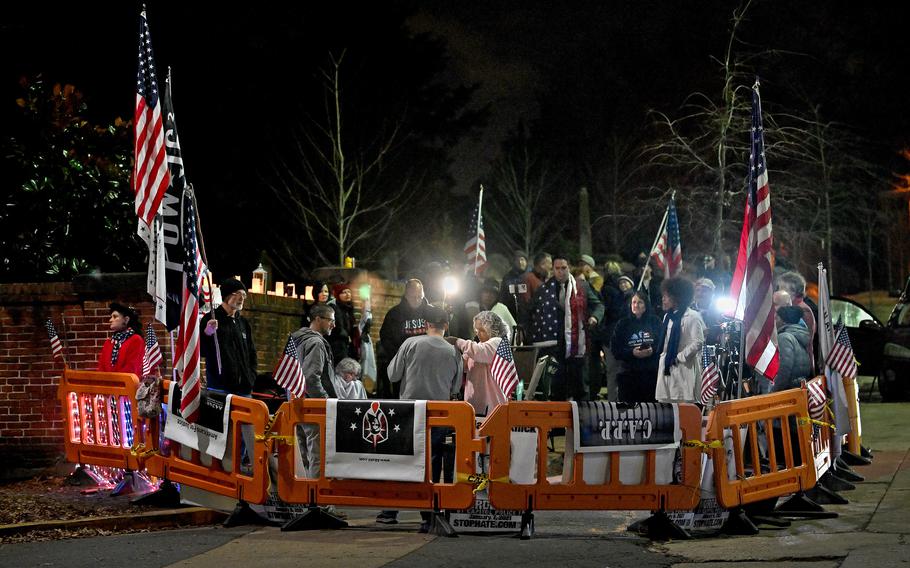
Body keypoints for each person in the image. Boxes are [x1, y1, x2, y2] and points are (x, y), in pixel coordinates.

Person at [379, 306, 462, 528]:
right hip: (438, 414)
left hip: (408, 411)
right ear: (446, 325)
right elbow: (455, 387)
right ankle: (429, 514)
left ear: (426, 325)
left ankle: (390, 511)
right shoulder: (454, 352)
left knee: (400, 460)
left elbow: (393, 374)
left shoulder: (410, 344)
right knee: (432, 464)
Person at [530, 255, 604, 401]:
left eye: (563, 268)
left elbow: (599, 305)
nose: (560, 272)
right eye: (557, 268)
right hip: (555, 345)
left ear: (569, 268)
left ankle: (582, 419)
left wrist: (595, 317)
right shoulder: (544, 289)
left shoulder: (581, 286)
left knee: (580, 386)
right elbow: (531, 311)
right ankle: (558, 422)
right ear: (553, 270)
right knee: (557, 387)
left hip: (577, 342)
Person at [290, 304, 338, 480]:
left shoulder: (297, 339)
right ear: (318, 319)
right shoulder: (316, 342)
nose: (334, 325)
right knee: (318, 454)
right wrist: (325, 400)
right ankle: (318, 502)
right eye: (331, 320)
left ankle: (306, 498)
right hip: (314, 407)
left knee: (304, 454)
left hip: (297, 404)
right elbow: (311, 379)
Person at [201, 278, 257, 395]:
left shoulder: (243, 323)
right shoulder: (210, 318)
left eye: (244, 295)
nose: (242, 298)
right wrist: (207, 333)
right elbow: (201, 351)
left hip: (244, 390)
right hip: (220, 388)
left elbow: (251, 353)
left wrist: (250, 377)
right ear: (227, 295)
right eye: (238, 294)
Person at [655, 277, 706, 403]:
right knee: (667, 406)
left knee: (684, 407)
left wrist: (679, 357)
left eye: (666, 296)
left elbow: (698, 342)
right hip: (667, 368)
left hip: (684, 368)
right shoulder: (667, 316)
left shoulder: (693, 317)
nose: (663, 299)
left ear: (677, 297)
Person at [452, 310, 512, 416]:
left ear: (493, 329)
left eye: (482, 330)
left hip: (493, 406)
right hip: (474, 406)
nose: (478, 334)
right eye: (476, 330)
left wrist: (457, 341)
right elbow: (463, 365)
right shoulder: (479, 346)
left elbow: (478, 351)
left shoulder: (499, 342)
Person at [377, 278, 430, 397]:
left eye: (419, 297)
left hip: (427, 363)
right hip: (404, 365)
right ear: (406, 295)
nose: (417, 300)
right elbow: (385, 337)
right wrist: (399, 356)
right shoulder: (394, 314)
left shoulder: (431, 313)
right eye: (413, 297)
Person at [610, 291, 661, 403]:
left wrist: (652, 350)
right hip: (628, 374)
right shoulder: (622, 324)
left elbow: (662, 343)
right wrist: (632, 353)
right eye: (633, 302)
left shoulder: (655, 321)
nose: (636, 305)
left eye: (640, 302)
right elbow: (615, 350)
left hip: (651, 374)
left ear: (646, 305)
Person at [776, 271, 817, 374]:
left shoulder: (803, 311)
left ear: (794, 292)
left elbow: (809, 344)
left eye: (783, 289)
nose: (779, 292)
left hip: (798, 365)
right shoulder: (790, 307)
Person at [768, 305, 811, 392]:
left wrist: (773, 391)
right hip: (798, 389)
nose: (774, 321)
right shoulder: (797, 335)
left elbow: (784, 369)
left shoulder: (784, 337)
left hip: (789, 391)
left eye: (777, 318)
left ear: (783, 321)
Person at [97, 302, 144, 375]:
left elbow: (131, 369)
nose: (110, 320)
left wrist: (112, 380)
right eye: (111, 317)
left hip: (126, 384)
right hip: (107, 384)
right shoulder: (108, 342)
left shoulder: (136, 340)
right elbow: (101, 368)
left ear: (126, 319)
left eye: (115, 317)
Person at [328, 283, 357, 364]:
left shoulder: (349, 308)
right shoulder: (334, 308)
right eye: (344, 292)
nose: (348, 294)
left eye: (349, 292)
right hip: (337, 347)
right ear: (338, 295)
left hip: (347, 346)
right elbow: (337, 328)